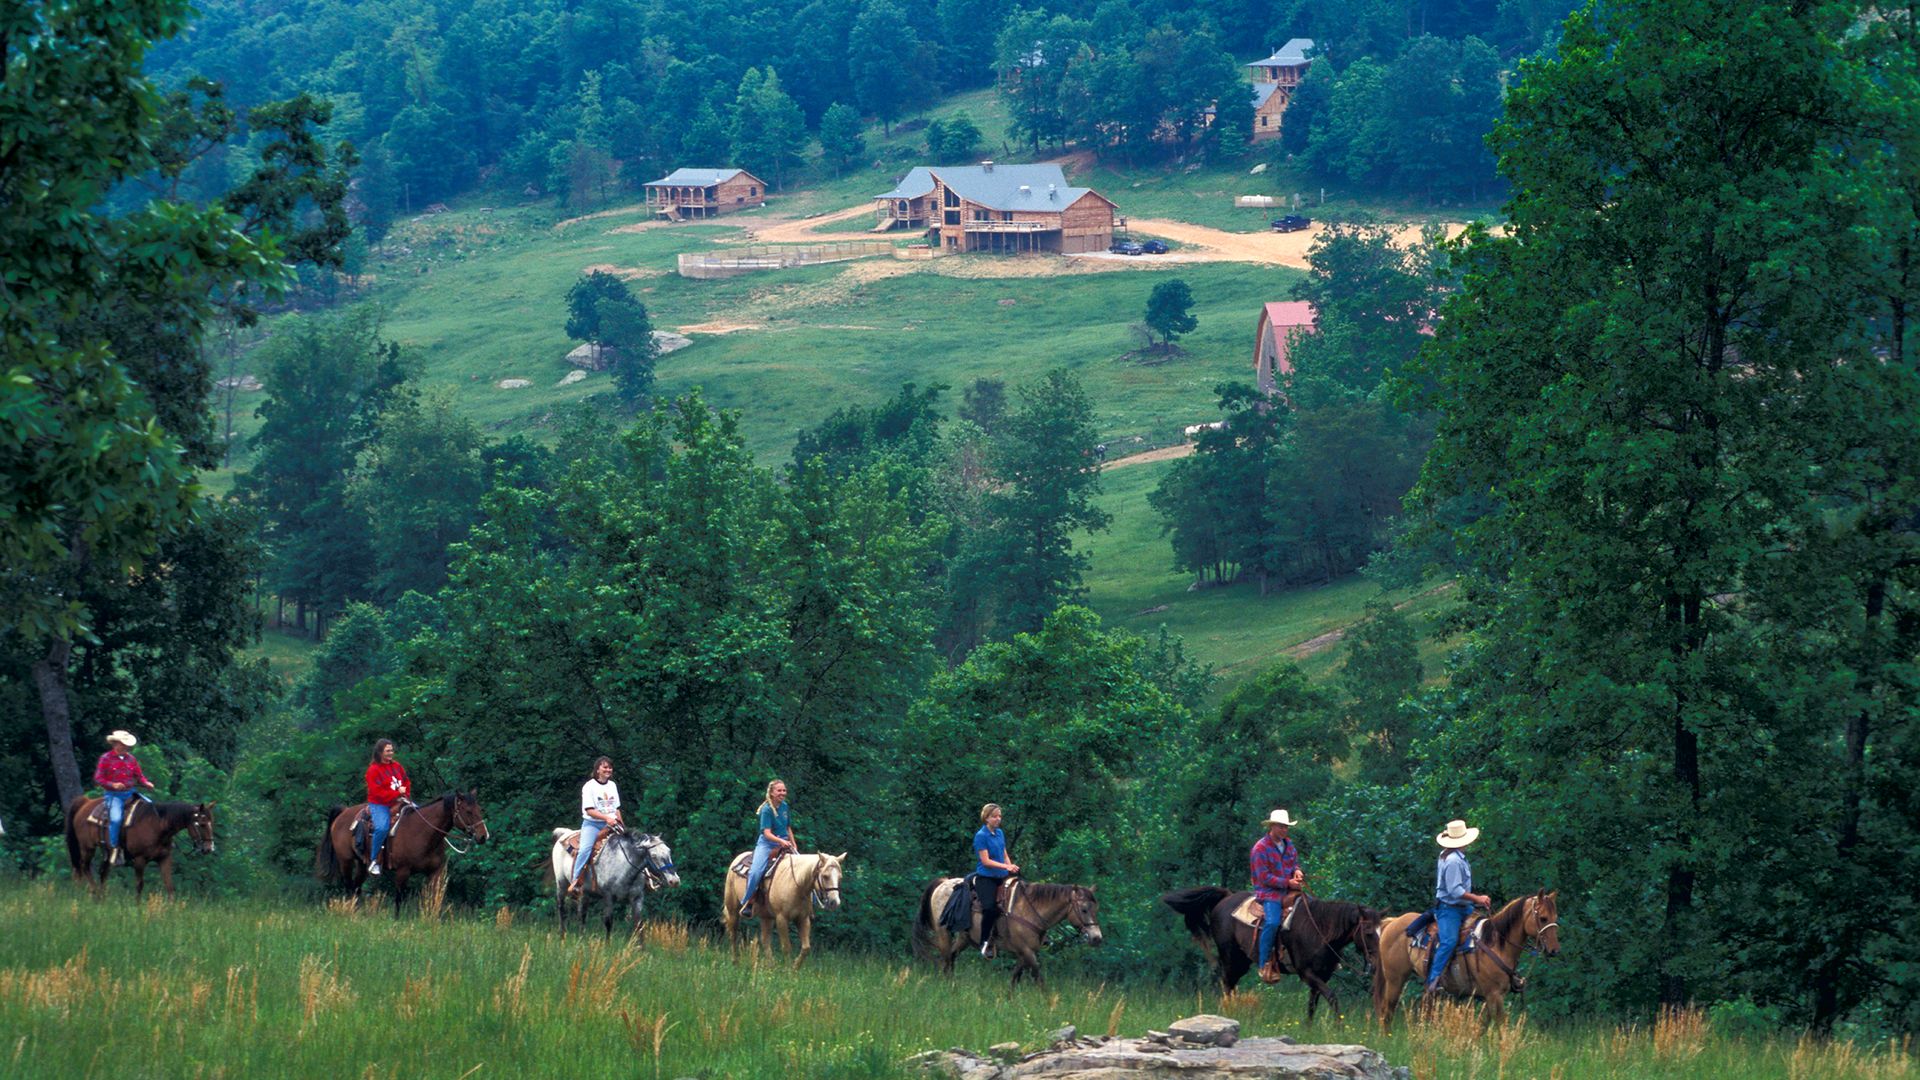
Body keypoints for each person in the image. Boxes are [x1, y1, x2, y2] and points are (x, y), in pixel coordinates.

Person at [1409, 818, 1492, 994]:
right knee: (1449, 941)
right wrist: (1478, 898)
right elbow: (1455, 891)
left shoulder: (1452, 855)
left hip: (1462, 907)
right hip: (1450, 908)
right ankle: (1433, 981)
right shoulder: (1453, 860)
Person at [1250, 809, 1305, 983]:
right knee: (1273, 922)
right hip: (1268, 892)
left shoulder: (1288, 845)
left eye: (1286, 827)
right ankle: (1264, 962)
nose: (1284, 830)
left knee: (1312, 910)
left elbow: (1294, 863)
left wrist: (1297, 871)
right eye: (1281, 827)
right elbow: (1263, 877)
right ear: (1272, 826)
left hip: (1288, 890)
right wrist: (1287, 883)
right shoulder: (1260, 848)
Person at [93, 731, 156, 866]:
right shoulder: (106, 758)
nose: (126, 747)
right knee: (116, 819)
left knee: (152, 807)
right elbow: (99, 778)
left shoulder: (131, 759)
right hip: (113, 795)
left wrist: (146, 783)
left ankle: (155, 840)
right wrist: (113, 784)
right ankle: (114, 848)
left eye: (127, 745)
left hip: (130, 793)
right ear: (116, 744)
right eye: (123, 744)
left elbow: (139, 776)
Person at [740, 779, 797, 916]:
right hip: (767, 844)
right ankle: (748, 901)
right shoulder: (766, 810)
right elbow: (766, 833)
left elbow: (788, 827)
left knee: (807, 868)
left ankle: (809, 903)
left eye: (784, 790)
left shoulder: (785, 806)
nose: (782, 793)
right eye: (779, 790)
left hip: (785, 842)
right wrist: (780, 841)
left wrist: (793, 843)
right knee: (755, 871)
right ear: (771, 793)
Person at [568, 756, 623, 895]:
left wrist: (622, 825)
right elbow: (589, 810)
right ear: (597, 769)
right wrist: (606, 818)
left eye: (610, 767)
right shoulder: (589, 786)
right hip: (592, 824)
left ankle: (643, 879)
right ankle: (576, 881)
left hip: (611, 824)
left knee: (630, 845)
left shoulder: (612, 785)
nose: (608, 770)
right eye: (605, 767)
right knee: (585, 849)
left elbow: (616, 808)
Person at [972, 803, 1019, 958]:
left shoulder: (999, 833)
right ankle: (984, 942)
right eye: (994, 816)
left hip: (1001, 875)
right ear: (986, 818)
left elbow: (1004, 853)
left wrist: (1010, 866)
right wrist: (1006, 866)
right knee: (990, 908)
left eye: (999, 816)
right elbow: (985, 861)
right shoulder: (981, 836)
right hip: (986, 878)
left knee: (1022, 896)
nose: (998, 819)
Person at [364, 738, 411, 876]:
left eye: (392, 750)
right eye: (388, 751)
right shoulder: (373, 770)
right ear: (380, 752)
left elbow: (406, 781)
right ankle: (374, 861)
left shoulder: (397, 766)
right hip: (380, 804)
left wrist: (405, 794)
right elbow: (376, 792)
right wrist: (397, 793)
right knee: (382, 827)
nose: (391, 753)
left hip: (400, 801)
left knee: (422, 816)